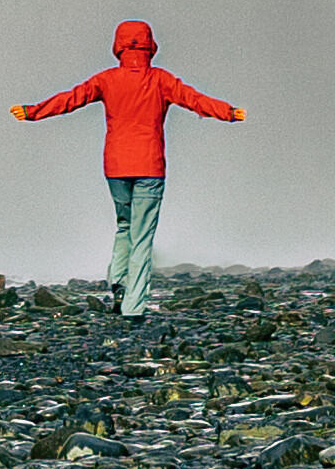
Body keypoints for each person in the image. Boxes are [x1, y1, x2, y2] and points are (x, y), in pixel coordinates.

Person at [14, 20, 240, 313]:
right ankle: (133, 307)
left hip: (116, 167)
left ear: (118, 46)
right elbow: (195, 100)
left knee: (124, 226)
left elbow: (71, 99)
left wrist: (33, 112)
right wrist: (230, 113)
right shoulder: (161, 80)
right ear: (150, 46)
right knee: (142, 236)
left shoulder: (107, 80)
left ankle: (118, 282)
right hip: (149, 165)